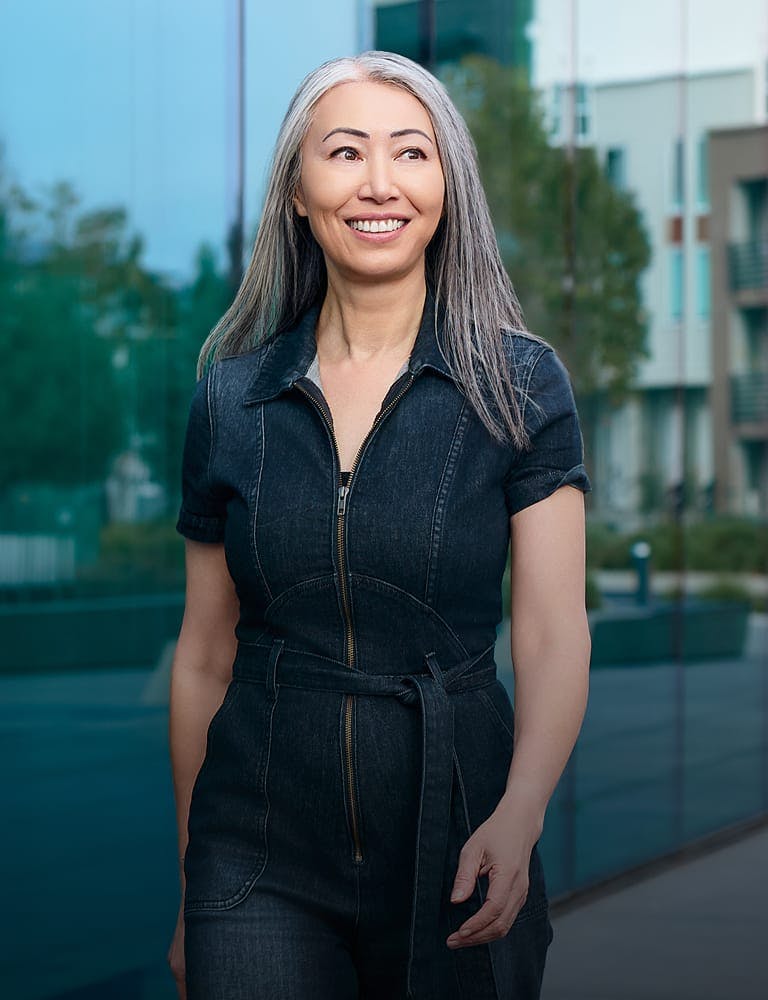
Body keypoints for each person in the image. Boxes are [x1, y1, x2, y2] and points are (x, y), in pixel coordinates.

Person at [167, 49, 592, 1000]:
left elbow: (555, 630)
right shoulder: (231, 402)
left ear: (448, 187)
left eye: (412, 154)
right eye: (346, 152)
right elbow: (202, 657)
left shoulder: (521, 386)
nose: (380, 184)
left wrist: (519, 819)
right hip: (260, 856)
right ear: (297, 190)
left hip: (463, 839)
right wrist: (194, 884)